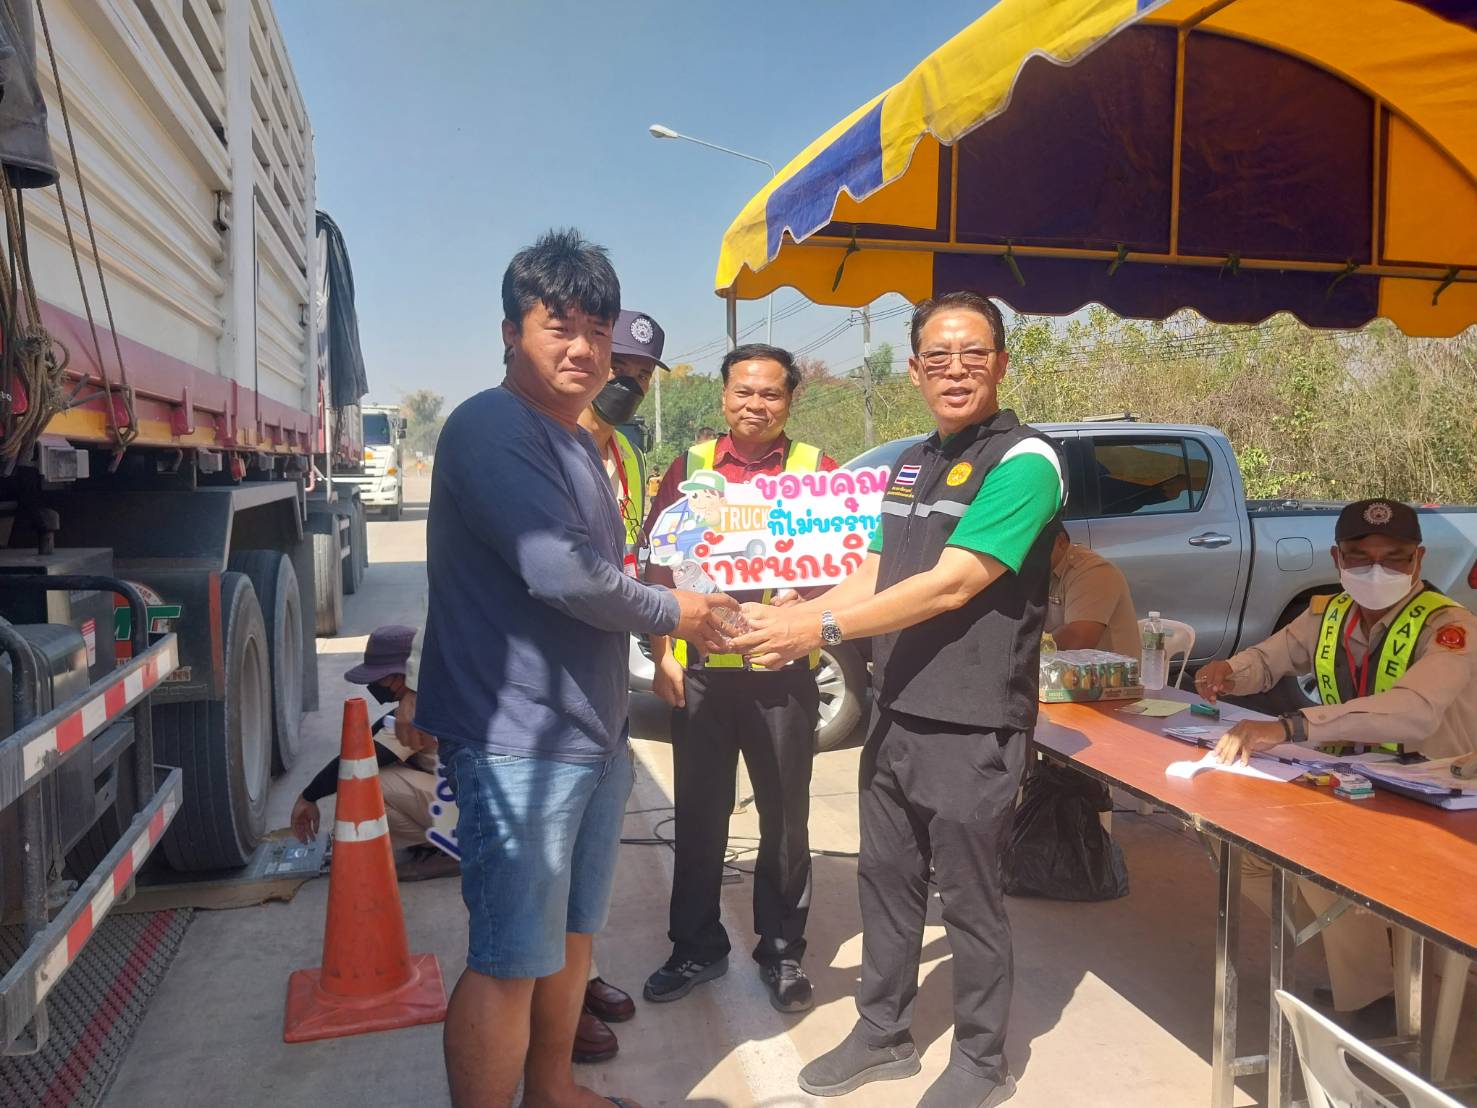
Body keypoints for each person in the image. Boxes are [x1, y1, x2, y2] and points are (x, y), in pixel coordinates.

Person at [413, 228, 736, 1108]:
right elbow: (559, 572)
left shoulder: (578, 444)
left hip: (591, 732)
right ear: (511, 332)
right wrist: (676, 614)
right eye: (559, 327)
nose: (584, 350)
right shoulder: (492, 426)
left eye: (598, 331)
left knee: (571, 938)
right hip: (517, 739)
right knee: (510, 957)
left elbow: (606, 572)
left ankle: (552, 1091)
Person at [733, 291, 1062, 1108]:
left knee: (969, 900)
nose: (955, 370)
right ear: (913, 370)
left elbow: (952, 584)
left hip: (972, 721)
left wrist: (816, 627)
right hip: (896, 708)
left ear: (1001, 362)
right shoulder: (912, 462)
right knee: (886, 880)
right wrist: (800, 613)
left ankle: (981, 1061)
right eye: (937, 356)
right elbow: (877, 570)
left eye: (972, 353)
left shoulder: (1025, 461)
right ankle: (881, 1033)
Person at [1199, 498, 1477, 1029]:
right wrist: (1229, 671)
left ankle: (1374, 1000)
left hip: (1435, 794)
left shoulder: (1450, 627)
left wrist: (1292, 727)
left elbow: (1414, 711)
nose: (1377, 570)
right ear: (1337, 558)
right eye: (1360, 557)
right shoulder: (1328, 614)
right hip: (1356, 784)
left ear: (1418, 560)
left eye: (1394, 558)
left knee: (1319, 862)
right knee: (1237, 844)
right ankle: (1369, 955)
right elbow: (1272, 658)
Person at [641, 343, 838, 1014]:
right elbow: (658, 569)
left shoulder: (817, 472)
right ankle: (695, 946)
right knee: (698, 817)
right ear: (724, 397)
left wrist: (810, 602)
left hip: (781, 677)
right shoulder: (689, 468)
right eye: (743, 392)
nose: (756, 404)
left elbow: (848, 565)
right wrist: (662, 655)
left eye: (770, 393)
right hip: (702, 676)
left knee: (785, 821)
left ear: (790, 400)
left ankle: (781, 952)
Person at [569, 307, 669, 1063]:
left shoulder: (627, 453)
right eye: (619, 369)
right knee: (547, 857)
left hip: (603, 677)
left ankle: (580, 973)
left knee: (592, 854)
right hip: (541, 687)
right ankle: (549, 1001)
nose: (626, 385)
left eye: (639, 376)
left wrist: (663, 644)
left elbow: (636, 552)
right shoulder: (543, 441)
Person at [290, 625, 444, 864]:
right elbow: (376, 735)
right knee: (385, 772)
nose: (374, 685)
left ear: (402, 675)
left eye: (379, 678)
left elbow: (359, 759)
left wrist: (308, 797)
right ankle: (440, 842)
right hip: (475, 805)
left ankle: (456, 847)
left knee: (362, 783)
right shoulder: (436, 691)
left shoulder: (421, 710)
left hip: (471, 813)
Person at [1045, 524, 1140, 655]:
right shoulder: (1038, 571)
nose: (1024, 556)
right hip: (1061, 666)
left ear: (1060, 542)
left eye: (1032, 548)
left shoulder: (1093, 571)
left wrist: (1029, 648)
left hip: (1109, 668)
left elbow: (1078, 639)